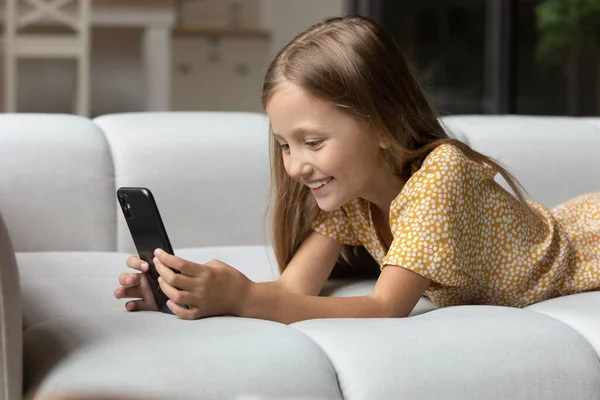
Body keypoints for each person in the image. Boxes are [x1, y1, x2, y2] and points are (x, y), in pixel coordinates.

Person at [114, 14, 600, 323]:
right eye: (285, 145)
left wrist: (242, 299)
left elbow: (385, 307)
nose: (296, 166)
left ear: (383, 125)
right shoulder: (352, 202)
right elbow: (290, 291)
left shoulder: (441, 174)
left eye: (313, 142)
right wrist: (187, 291)